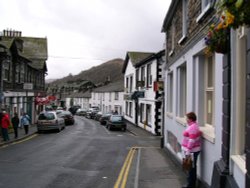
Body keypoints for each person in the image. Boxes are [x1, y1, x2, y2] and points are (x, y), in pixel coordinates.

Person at [182, 112, 202, 188]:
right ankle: (190, 184)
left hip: (192, 151)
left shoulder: (193, 127)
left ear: (190, 119)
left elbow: (192, 140)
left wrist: (188, 151)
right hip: (192, 150)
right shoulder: (193, 126)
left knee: (191, 168)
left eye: (186, 118)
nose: (186, 120)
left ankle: (190, 185)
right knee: (191, 167)